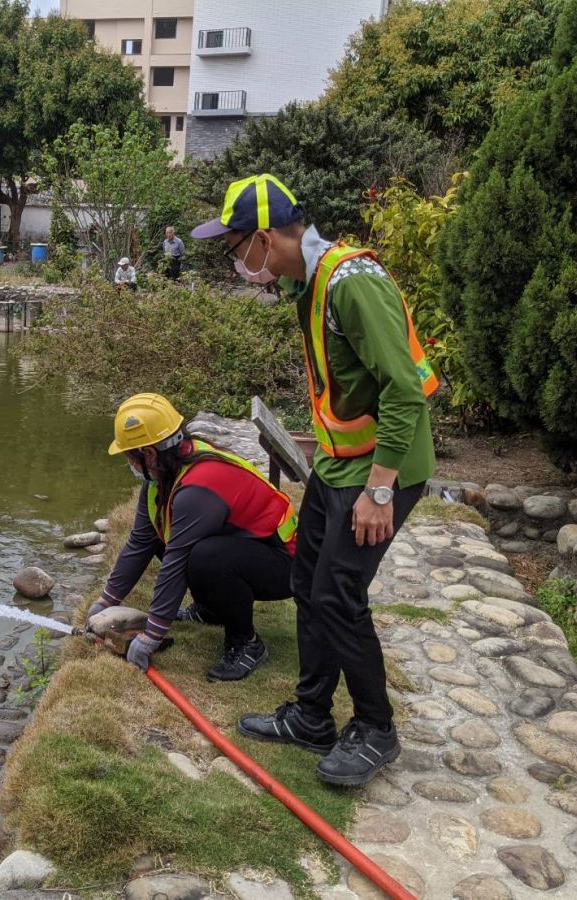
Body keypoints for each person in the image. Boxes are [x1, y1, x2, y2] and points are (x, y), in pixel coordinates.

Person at [190, 174, 438, 786]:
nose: (234, 261)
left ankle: (376, 728)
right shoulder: (306, 282)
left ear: (265, 238)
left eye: (235, 246)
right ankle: (311, 714)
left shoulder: (353, 282)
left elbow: (405, 390)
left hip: (383, 467)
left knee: (338, 593)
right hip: (337, 461)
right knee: (307, 581)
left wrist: (380, 489)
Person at [86, 393, 298, 682]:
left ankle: (246, 643)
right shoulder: (165, 472)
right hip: (249, 548)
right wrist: (106, 601)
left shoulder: (200, 486)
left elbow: (176, 561)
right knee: (169, 537)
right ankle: (212, 610)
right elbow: (141, 542)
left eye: (129, 457)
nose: (130, 464)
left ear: (149, 454)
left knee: (205, 558)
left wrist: (151, 636)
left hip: (286, 563)